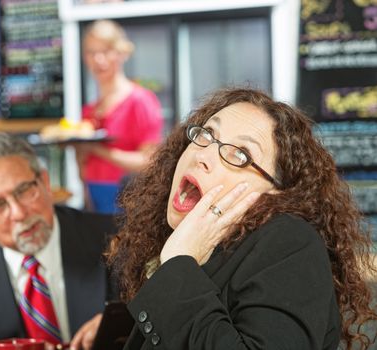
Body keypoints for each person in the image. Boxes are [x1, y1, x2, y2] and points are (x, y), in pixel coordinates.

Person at [105, 88, 377, 349]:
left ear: (277, 193)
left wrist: (178, 263)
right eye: (207, 134)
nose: (204, 155)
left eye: (241, 155)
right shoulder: (205, 248)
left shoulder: (291, 241)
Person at [0, 133, 118, 350]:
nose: (19, 213)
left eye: (24, 191)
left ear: (45, 183)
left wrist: (122, 327)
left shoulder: (113, 236)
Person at [76, 19, 164, 213]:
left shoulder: (140, 101)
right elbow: (83, 167)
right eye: (91, 52)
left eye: (106, 51)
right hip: (94, 203)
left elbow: (149, 162)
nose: (98, 60)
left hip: (130, 204)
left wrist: (99, 150)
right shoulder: (89, 111)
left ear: (122, 53)